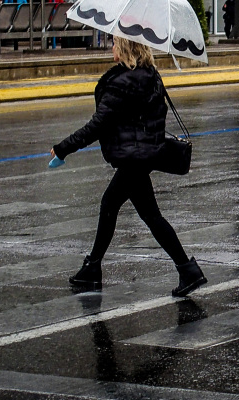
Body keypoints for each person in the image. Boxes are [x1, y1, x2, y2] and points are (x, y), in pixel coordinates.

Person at [51, 37, 207, 297]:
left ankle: (188, 270)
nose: (111, 48)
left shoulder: (123, 83)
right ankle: (92, 268)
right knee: (113, 205)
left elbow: (96, 126)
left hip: (133, 158)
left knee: (147, 215)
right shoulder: (150, 76)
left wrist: (63, 148)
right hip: (142, 155)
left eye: (114, 44)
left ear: (124, 49)